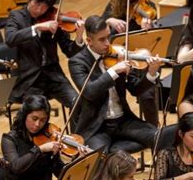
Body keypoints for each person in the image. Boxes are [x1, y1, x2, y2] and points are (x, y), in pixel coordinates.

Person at [68, 15, 159, 153]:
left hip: (123, 120)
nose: (107, 43)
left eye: (108, 37)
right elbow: (90, 92)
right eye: (102, 39)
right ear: (89, 41)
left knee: (160, 137)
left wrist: (151, 74)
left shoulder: (118, 55)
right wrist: (113, 71)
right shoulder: (77, 62)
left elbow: (135, 90)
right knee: (97, 157)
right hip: (97, 127)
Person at [5, 0, 85, 113]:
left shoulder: (54, 18)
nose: (40, 10)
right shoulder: (17, 16)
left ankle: (76, 134)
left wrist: (79, 37)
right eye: (37, 3)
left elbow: (69, 51)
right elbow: (10, 39)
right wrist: (36, 27)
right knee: (37, 112)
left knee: (78, 104)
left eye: (45, 6)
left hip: (53, 77)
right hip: (29, 81)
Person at [102, 0, 159, 126]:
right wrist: (109, 20)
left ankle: (153, 131)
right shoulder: (114, 4)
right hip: (117, 58)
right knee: (109, 88)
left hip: (140, 58)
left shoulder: (149, 7)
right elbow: (99, 26)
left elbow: (154, 38)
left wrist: (149, 26)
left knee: (147, 95)